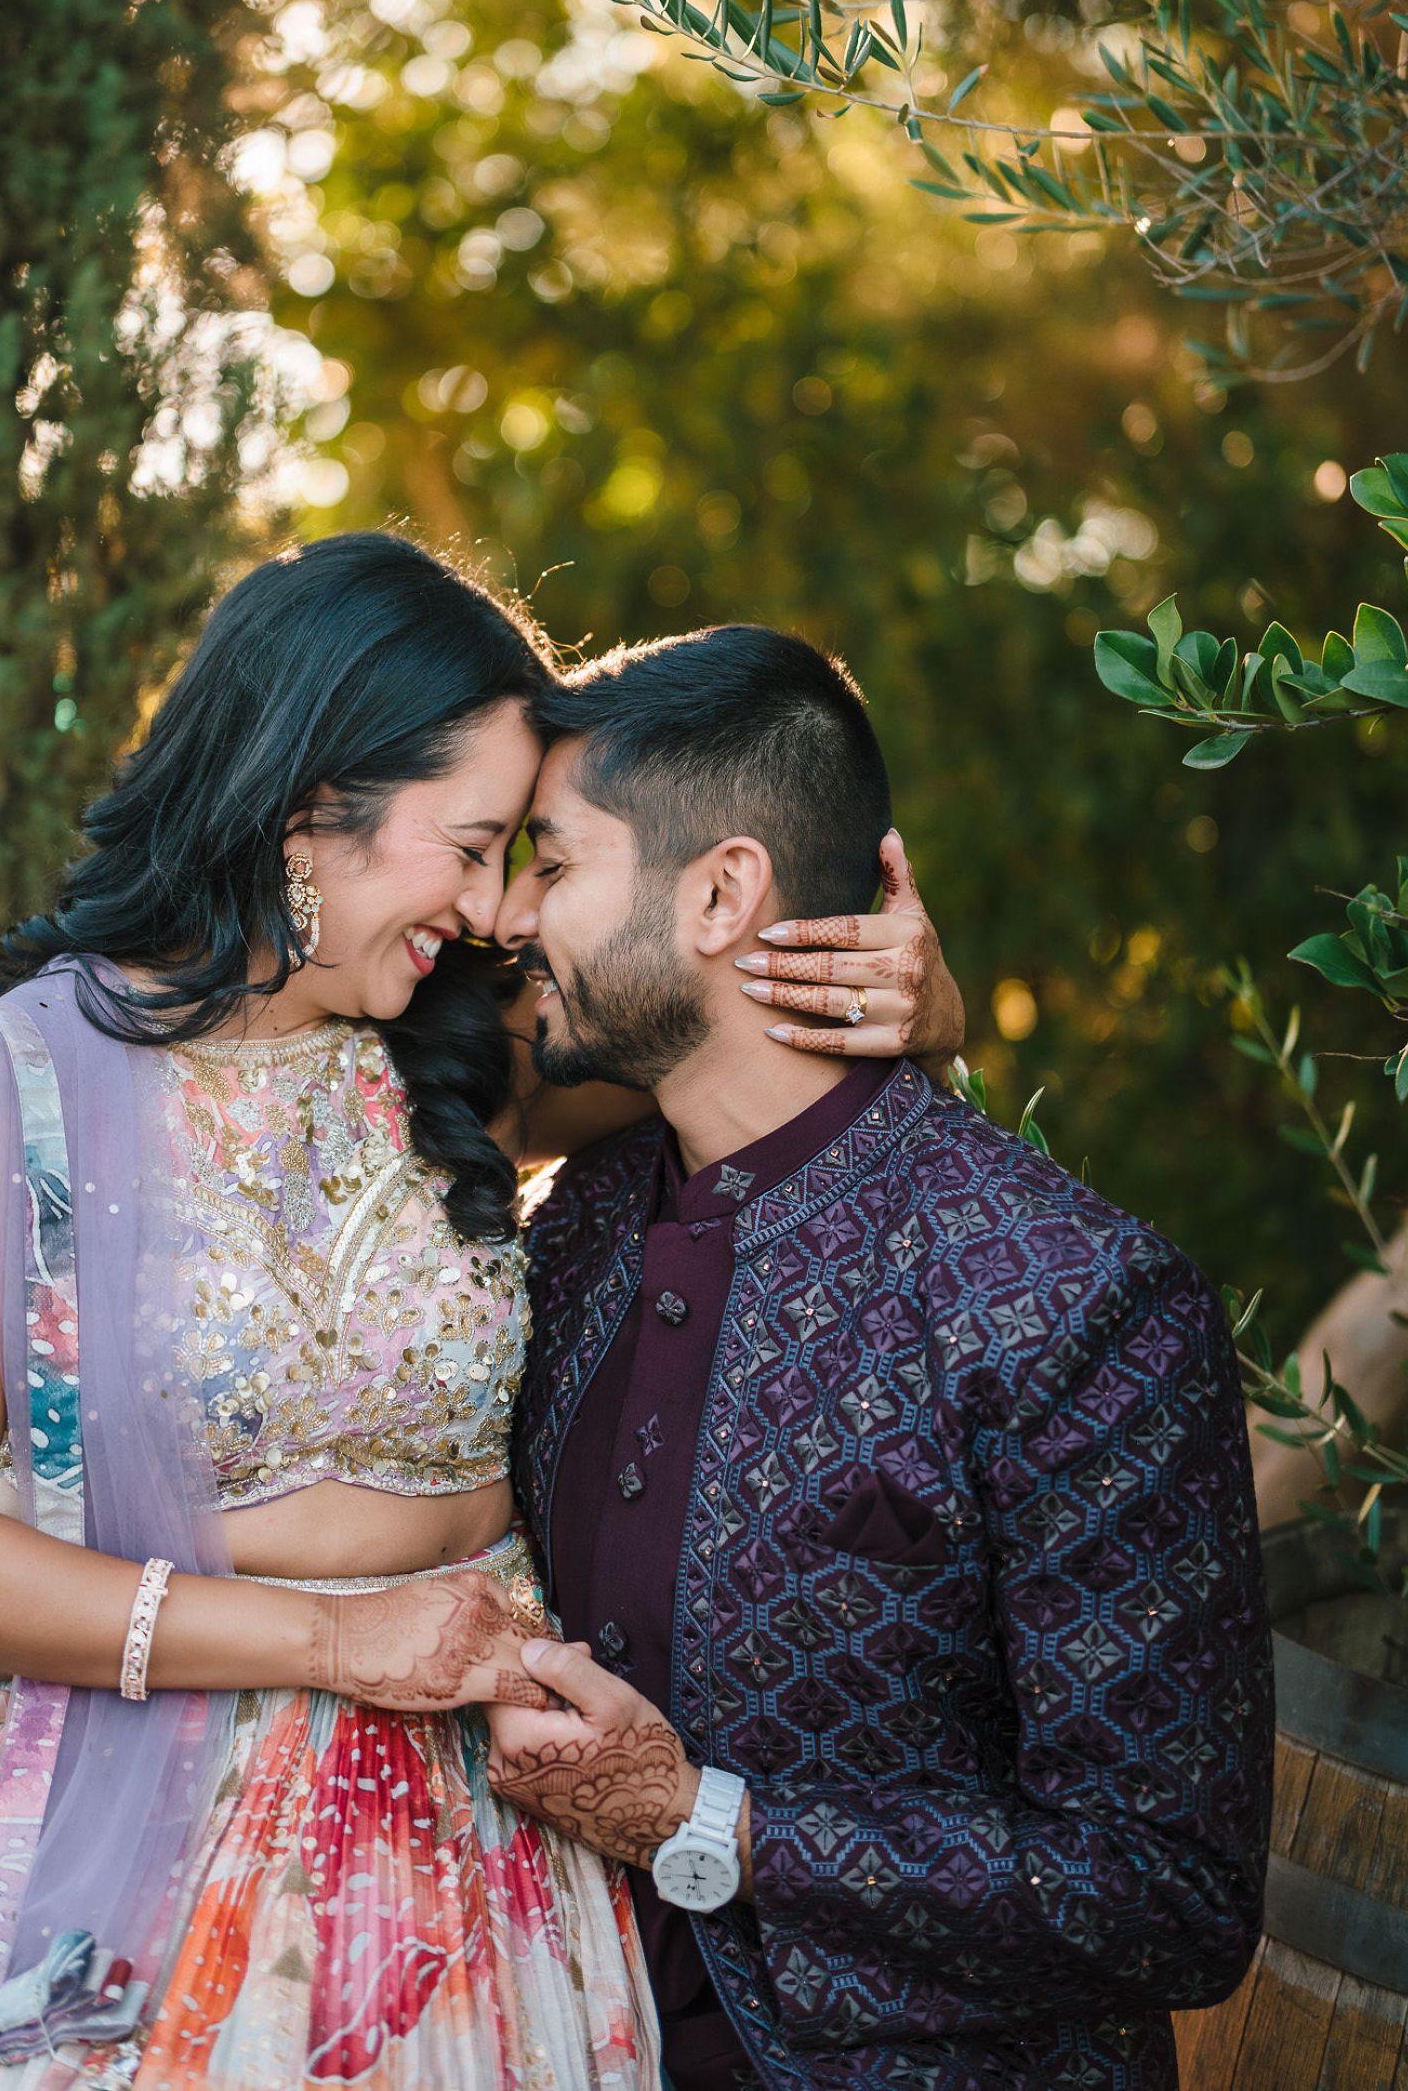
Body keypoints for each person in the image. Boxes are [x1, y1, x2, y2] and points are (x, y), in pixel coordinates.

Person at [0, 536, 960, 2091]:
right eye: (470, 844)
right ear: (308, 804)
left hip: (491, 1857)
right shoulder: (20, 1088)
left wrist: (920, 1011)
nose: (490, 909)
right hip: (151, 1839)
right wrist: (341, 1643)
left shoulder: (474, 1063)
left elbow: (739, 1056)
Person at [476, 626, 1273, 2091]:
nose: (509, 911)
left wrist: (714, 1825)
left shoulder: (1074, 1300)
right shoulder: (578, 1234)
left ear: (720, 892)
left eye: (554, 861)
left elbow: (1173, 1896)